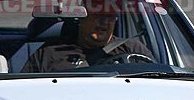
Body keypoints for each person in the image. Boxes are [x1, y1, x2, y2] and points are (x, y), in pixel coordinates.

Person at [21, 12, 154, 73]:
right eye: (97, 15)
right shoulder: (49, 53)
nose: (104, 22)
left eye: (110, 17)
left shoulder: (133, 50)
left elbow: (156, 85)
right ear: (81, 18)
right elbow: (25, 91)